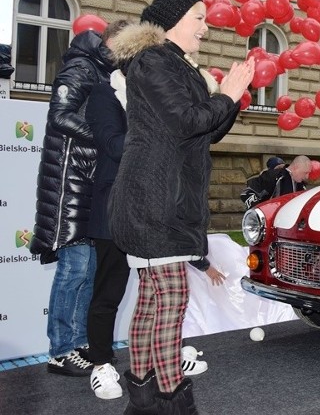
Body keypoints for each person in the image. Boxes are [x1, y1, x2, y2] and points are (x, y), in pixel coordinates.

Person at [109, 0, 254, 413]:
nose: (205, 29)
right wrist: (225, 94)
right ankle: (171, 400)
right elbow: (186, 122)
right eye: (199, 18)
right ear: (173, 19)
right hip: (154, 201)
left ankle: (142, 396)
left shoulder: (173, 64)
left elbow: (203, 134)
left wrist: (232, 96)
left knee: (154, 302)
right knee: (169, 301)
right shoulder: (154, 61)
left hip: (162, 199)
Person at [84, 21, 224, 400]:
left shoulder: (151, 83)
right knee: (122, 294)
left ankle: (149, 388)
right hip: (128, 201)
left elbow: (196, 131)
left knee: (152, 297)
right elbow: (116, 144)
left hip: (157, 199)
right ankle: (109, 367)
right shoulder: (110, 91)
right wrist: (155, 129)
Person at [30, 21, 116, 376]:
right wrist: (103, 137)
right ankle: (60, 350)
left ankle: (78, 343)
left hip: (87, 181)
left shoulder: (101, 69)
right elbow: (60, 116)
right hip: (69, 183)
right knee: (74, 269)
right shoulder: (81, 66)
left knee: (88, 269)